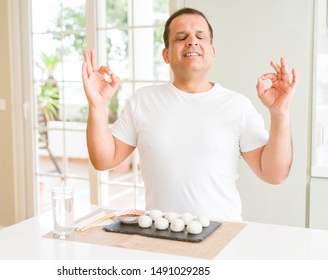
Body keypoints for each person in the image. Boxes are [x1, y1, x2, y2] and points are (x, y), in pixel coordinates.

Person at [81, 8, 297, 221]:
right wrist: (97, 106)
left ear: (213, 52)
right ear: (166, 55)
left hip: (222, 236)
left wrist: (280, 113)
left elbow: (274, 174)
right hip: (161, 235)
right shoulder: (143, 100)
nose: (192, 41)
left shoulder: (237, 105)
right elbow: (104, 160)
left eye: (200, 36)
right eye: (181, 37)